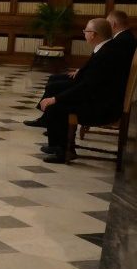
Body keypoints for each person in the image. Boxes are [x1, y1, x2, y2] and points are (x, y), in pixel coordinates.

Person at [25, 10, 136, 128]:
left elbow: (102, 68)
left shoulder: (121, 41)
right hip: (100, 83)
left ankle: (50, 118)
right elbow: (98, 63)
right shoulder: (122, 38)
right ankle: (49, 118)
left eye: (107, 23)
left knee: (55, 85)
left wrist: (56, 98)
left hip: (103, 94)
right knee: (54, 80)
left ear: (113, 24)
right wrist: (82, 70)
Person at [38, 19, 128, 163]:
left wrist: (56, 98)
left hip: (102, 107)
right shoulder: (106, 48)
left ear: (93, 34)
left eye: (85, 31)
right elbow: (89, 81)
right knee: (57, 94)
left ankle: (64, 151)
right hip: (99, 98)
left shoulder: (106, 54)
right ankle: (57, 145)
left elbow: (86, 87)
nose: (84, 33)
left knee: (56, 107)